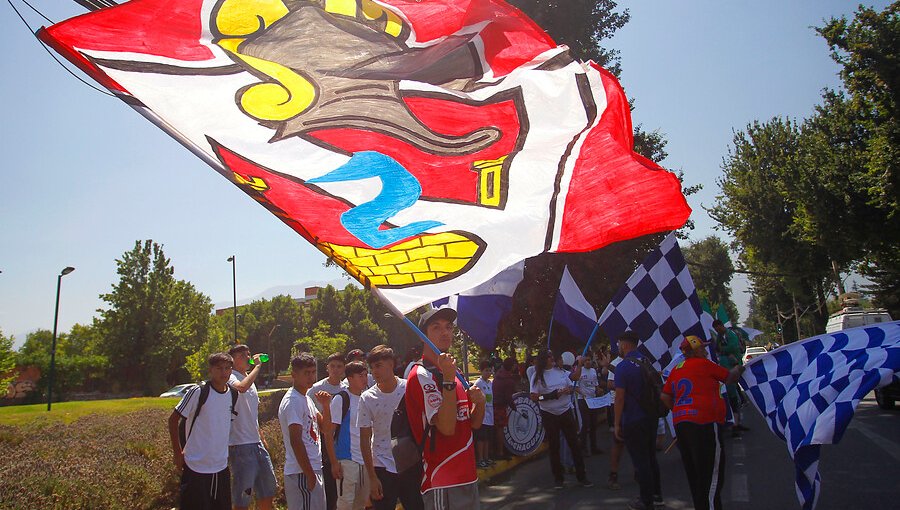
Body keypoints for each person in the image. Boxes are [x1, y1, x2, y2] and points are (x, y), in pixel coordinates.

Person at [406, 307, 486, 510]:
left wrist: (481, 403)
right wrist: (448, 380)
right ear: (423, 336)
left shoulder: (454, 372)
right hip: (442, 479)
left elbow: (472, 423)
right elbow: (447, 428)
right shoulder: (420, 375)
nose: (445, 333)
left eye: (449, 327)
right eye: (436, 327)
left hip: (467, 476)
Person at [661, 335, 746, 510]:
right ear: (695, 350)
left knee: (694, 473)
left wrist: (679, 409)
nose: (706, 351)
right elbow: (730, 378)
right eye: (703, 348)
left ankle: (702, 505)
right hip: (704, 422)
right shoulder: (705, 364)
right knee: (711, 473)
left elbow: (664, 396)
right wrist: (739, 367)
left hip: (682, 424)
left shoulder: (677, 368)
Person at [356, 345, 423, 510]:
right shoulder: (367, 398)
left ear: (391, 364)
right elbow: (364, 440)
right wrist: (371, 478)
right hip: (382, 466)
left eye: (378, 366)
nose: (374, 372)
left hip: (410, 463)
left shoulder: (409, 388)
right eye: (372, 368)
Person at [167, 352, 237, 510]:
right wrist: (177, 453)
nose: (224, 372)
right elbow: (172, 420)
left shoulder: (233, 394)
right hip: (196, 465)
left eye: (227, 368)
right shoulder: (198, 391)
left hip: (220, 466)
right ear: (210, 370)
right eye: (219, 368)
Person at [279, 353, 338, 510]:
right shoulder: (293, 401)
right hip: (301, 472)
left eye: (313, 372)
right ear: (294, 375)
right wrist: (309, 473)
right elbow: (295, 440)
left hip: (313, 468)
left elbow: (326, 429)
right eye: (306, 373)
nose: (311, 377)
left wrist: (326, 406)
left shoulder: (306, 399)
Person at [528, 349, 592, 489]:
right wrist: (552, 395)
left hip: (565, 411)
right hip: (549, 414)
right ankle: (558, 478)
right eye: (549, 356)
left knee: (574, 443)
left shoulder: (561, 372)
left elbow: (574, 378)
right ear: (544, 359)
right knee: (554, 446)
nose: (552, 358)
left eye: (552, 356)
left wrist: (579, 365)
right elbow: (534, 397)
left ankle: (582, 476)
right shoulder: (537, 377)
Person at [613, 332, 663, 510]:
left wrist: (617, 424)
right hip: (651, 416)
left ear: (624, 345)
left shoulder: (623, 366)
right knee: (650, 457)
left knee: (640, 461)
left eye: (619, 344)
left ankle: (646, 500)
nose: (618, 347)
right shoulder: (646, 361)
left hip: (633, 419)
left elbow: (619, 398)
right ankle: (657, 495)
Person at [227, 345, 278, 510]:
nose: (247, 357)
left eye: (248, 354)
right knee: (243, 495)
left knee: (267, 490)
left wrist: (261, 437)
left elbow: (251, 414)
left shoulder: (249, 377)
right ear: (232, 360)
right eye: (242, 355)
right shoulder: (230, 377)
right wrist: (257, 366)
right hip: (240, 445)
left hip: (256, 443)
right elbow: (241, 388)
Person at [329, 360, 370, 510]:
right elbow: (329, 432)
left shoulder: (367, 398)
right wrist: (334, 462)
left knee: (360, 504)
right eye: (360, 376)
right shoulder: (341, 398)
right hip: (346, 460)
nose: (365, 379)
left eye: (366, 375)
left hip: (364, 461)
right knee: (345, 503)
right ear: (350, 378)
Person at [308, 352, 346, 510]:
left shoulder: (346, 388)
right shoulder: (317, 388)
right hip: (323, 438)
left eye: (339, 366)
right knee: (329, 480)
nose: (335, 370)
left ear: (344, 369)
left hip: (343, 438)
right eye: (332, 366)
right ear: (327, 368)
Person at [713, 320, 748, 437]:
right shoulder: (720, 336)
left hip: (732, 367)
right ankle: (734, 423)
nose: (718, 331)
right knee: (731, 396)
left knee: (733, 396)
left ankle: (736, 423)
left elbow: (733, 347)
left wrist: (723, 350)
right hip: (727, 369)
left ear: (721, 326)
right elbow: (716, 348)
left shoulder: (730, 335)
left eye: (718, 328)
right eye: (716, 330)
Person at [491, 357, 519, 460]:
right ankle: (501, 452)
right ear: (512, 367)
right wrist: (515, 407)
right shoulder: (508, 380)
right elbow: (508, 397)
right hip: (500, 406)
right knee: (500, 430)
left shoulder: (498, 375)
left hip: (493, 405)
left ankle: (498, 451)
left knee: (497, 429)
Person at [606, 353, 625, 490]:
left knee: (637, 442)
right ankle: (613, 474)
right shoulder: (615, 362)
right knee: (618, 441)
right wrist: (624, 385)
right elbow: (609, 384)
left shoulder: (639, 359)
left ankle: (639, 471)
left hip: (635, 406)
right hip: (618, 405)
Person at [576, 354, 602, 457]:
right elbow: (576, 387)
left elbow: (595, 385)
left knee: (594, 424)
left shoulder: (593, 371)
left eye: (589, 360)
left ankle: (594, 447)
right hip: (583, 400)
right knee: (585, 424)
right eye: (586, 360)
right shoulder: (580, 371)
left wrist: (598, 390)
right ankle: (583, 448)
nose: (588, 362)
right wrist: (584, 394)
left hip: (593, 400)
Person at [472, 360, 495, 468]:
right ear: (481, 371)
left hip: (490, 414)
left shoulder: (490, 383)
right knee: (481, 438)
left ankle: (486, 457)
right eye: (486, 370)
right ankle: (480, 459)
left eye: (490, 370)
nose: (488, 372)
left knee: (487, 438)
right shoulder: (478, 383)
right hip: (482, 415)